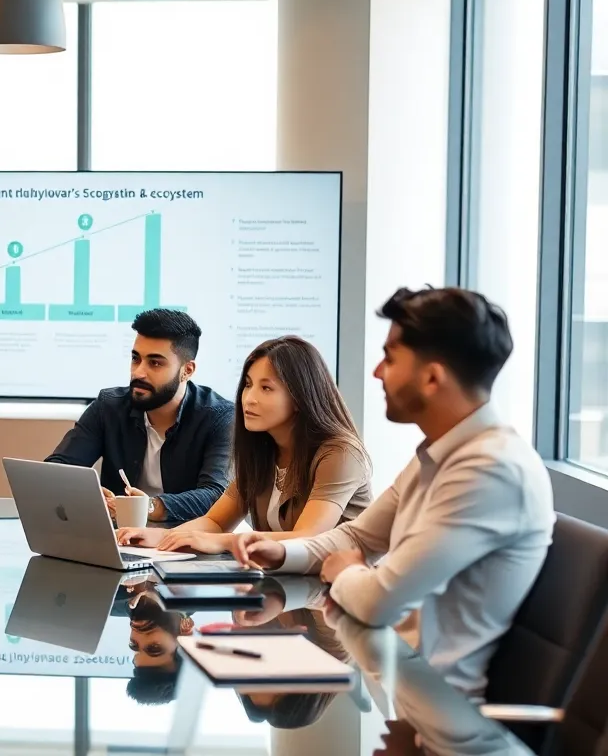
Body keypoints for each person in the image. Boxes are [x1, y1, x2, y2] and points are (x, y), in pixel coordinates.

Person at [234, 287, 555, 701]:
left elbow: (379, 601)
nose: (377, 372)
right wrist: (283, 553)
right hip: (405, 684)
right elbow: (357, 538)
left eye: (391, 357)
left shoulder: (489, 470)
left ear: (432, 377)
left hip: (446, 711)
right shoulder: (439, 454)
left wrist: (347, 571)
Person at [116, 336, 371, 554]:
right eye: (248, 385)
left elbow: (308, 538)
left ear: (299, 397)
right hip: (284, 587)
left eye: (266, 388)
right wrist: (160, 538)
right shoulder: (263, 450)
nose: (249, 399)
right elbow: (215, 522)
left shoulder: (341, 453)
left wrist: (223, 542)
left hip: (338, 592)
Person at [46, 309, 235, 524]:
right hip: (118, 540)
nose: (138, 372)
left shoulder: (220, 417)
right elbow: (57, 469)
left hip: (187, 541)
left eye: (155, 363)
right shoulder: (108, 406)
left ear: (187, 370)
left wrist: (149, 507)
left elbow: (217, 495)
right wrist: (86, 494)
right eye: (136, 359)